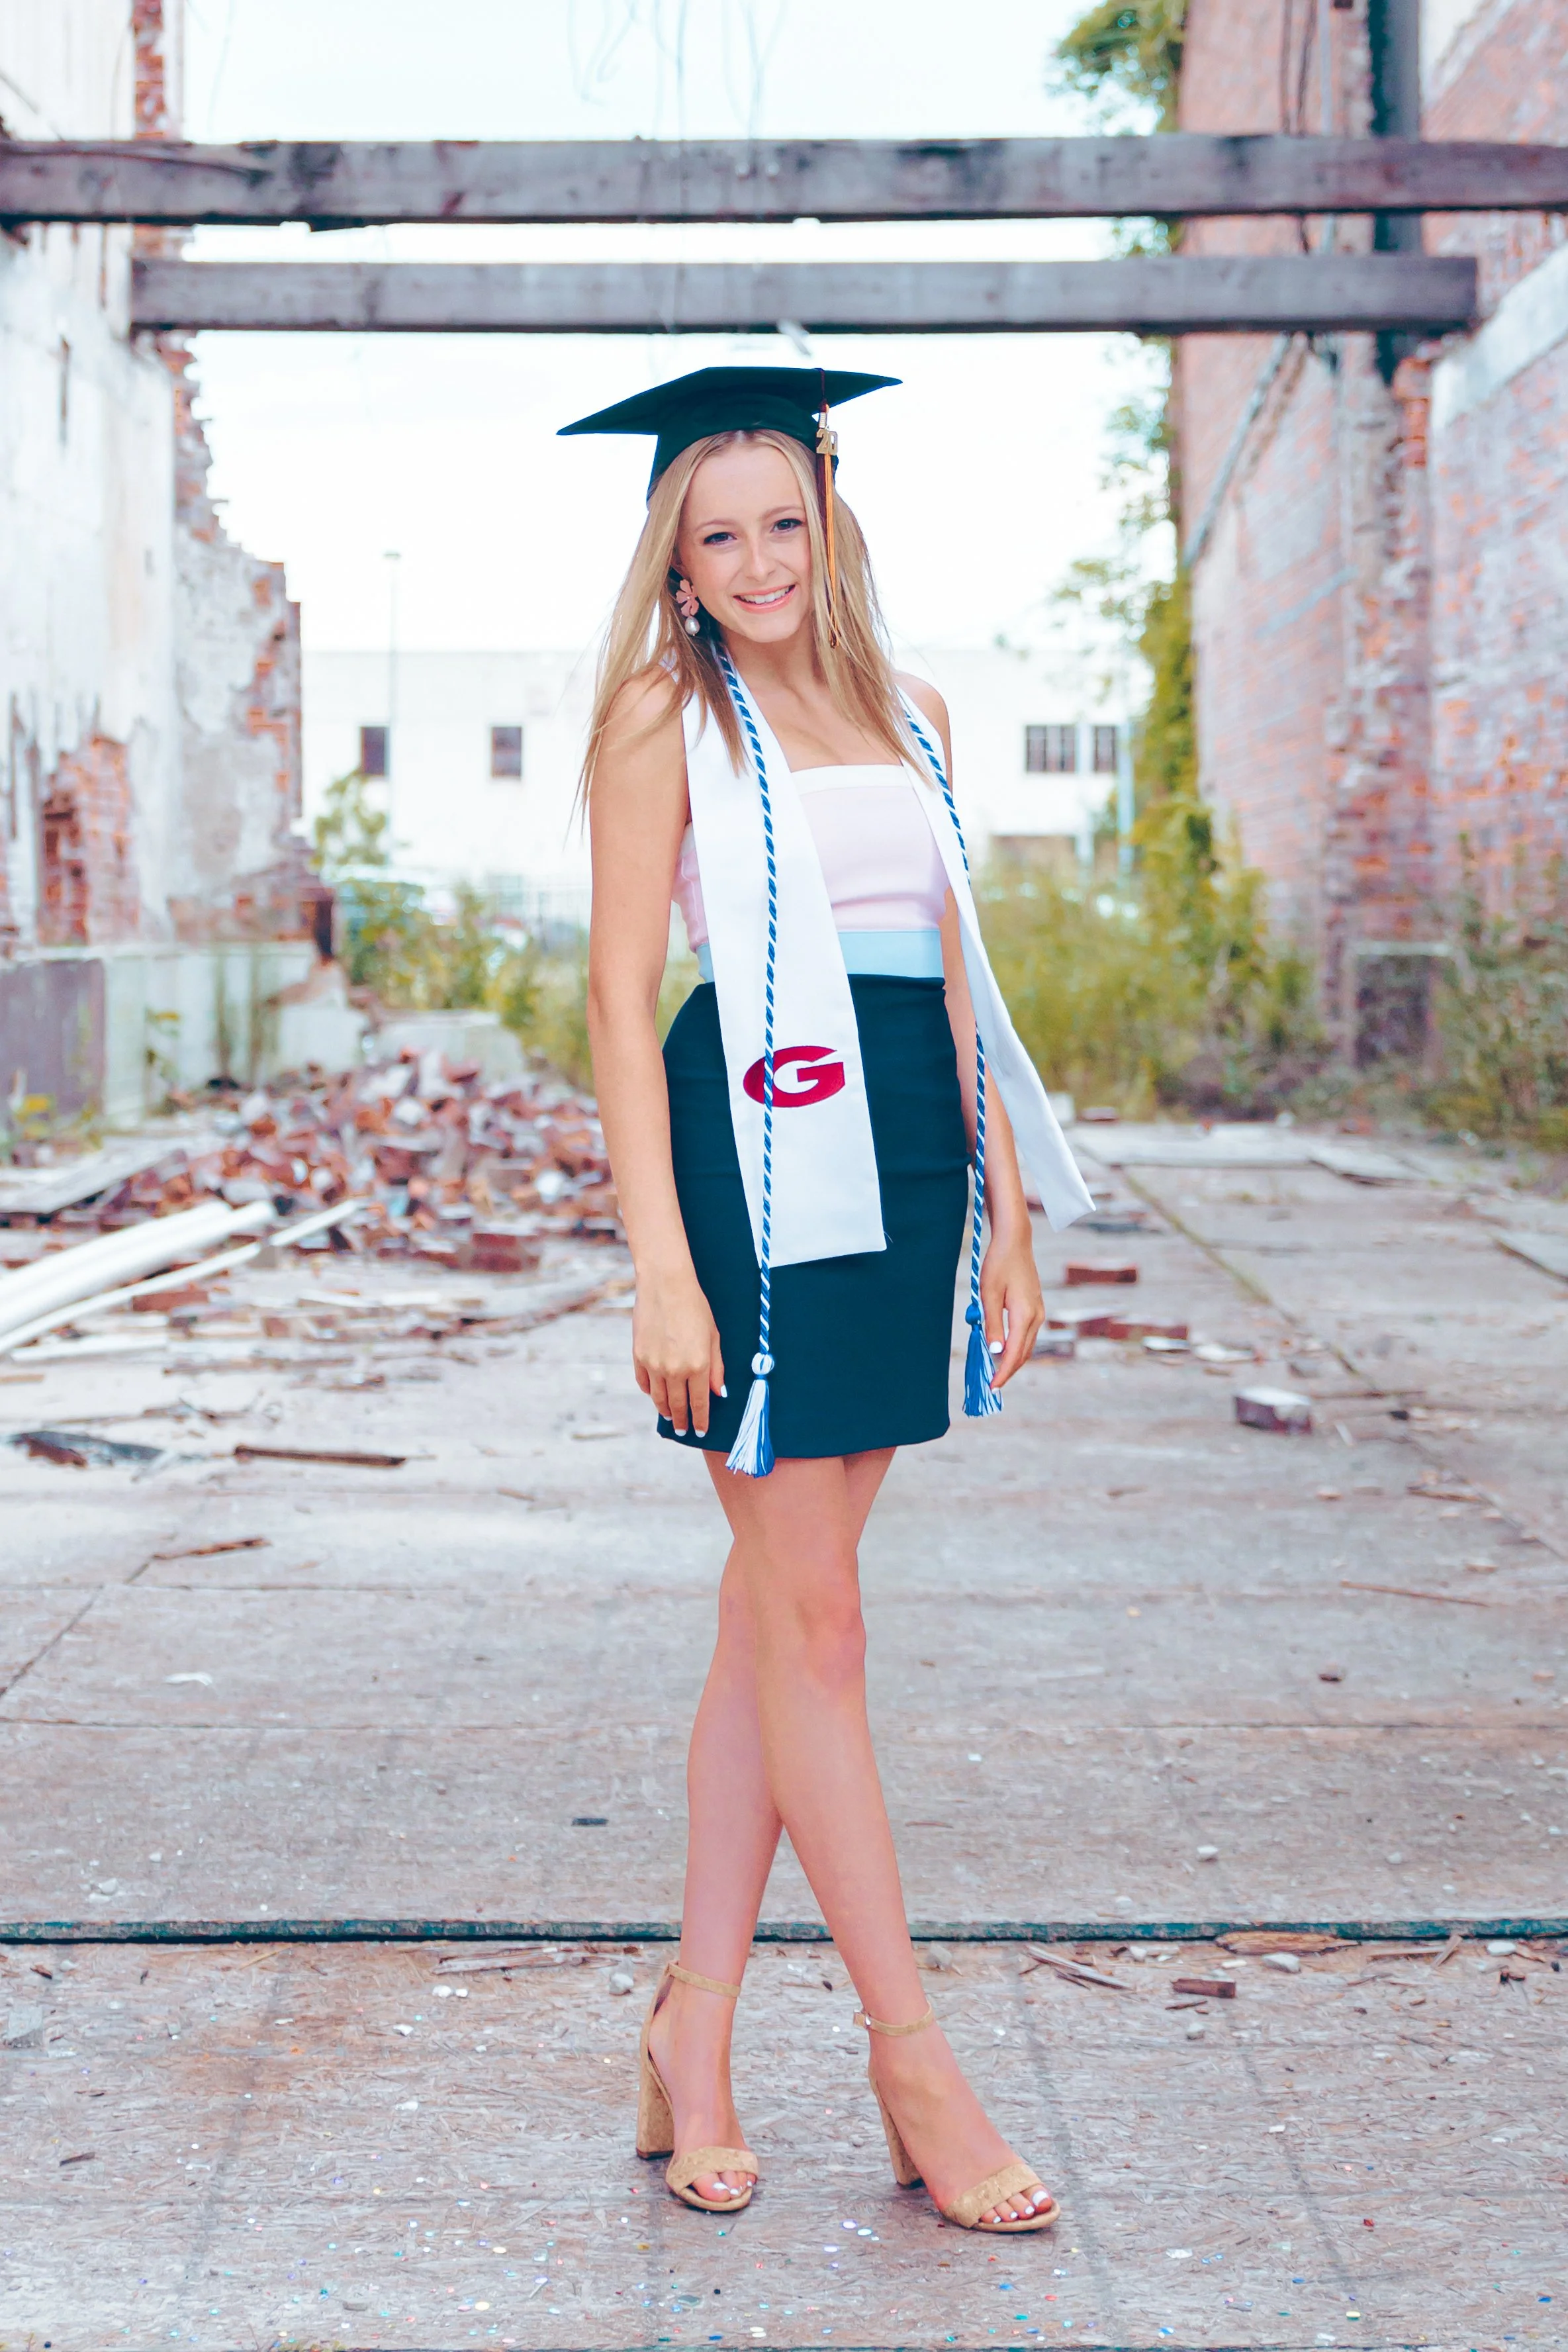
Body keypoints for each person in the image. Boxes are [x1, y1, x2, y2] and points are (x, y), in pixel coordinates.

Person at [567, 366, 1093, 2233]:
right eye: (721, 535)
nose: (762, 560)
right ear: (679, 563)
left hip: (915, 1170)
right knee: (825, 1629)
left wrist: (1011, 1217)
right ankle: (911, 2057)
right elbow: (628, 1000)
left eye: (785, 520)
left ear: (831, 519)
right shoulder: (660, 720)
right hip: (758, 1163)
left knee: (770, 1621)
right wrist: (657, 1258)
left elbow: (955, 980)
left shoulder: (913, 710)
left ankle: (690, 2025)